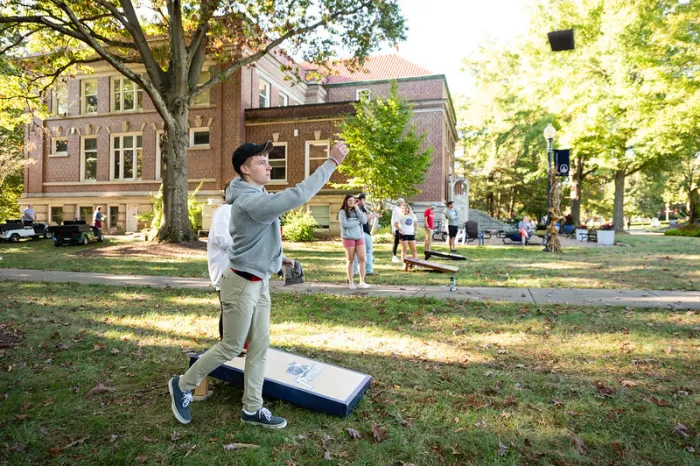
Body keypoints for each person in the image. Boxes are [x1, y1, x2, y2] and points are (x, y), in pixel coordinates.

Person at [168, 139, 348, 429]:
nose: (269, 165)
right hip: (240, 284)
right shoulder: (251, 201)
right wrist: (331, 162)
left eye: (268, 160)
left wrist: (281, 260)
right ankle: (183, 384)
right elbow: (298, 194)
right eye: (262, 161)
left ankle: (252, 408)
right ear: (245, 169)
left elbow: (259, 241)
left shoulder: (257, 194)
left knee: (260, 347)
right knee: (231, 346)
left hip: (260, 282)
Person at [207, 185, 233, 341]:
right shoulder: (225, 211)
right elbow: (223, 239)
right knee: (230, 312)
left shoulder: (240, 211)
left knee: (239, 314)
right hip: (226, 270)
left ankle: (238, 350)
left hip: (239, 272)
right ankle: (228, 349)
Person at [339, 194, 369, 289]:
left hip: (360, 237)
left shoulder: (357, 210)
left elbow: (364, 220)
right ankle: (351, 282)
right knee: (350, 260)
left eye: (353, 201)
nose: (351, 202)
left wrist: (357, 209)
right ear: (346, 202)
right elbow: (345, 224)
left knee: (362, 259)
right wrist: (357, 221)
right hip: (348, 238)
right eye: (349, 201)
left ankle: (362, 281)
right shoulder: (342, 212)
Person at [353, 193, 379, 277]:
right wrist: (375, 215)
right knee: (368, 250)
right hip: (364, 232)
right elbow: (365, 217)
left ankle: (354, 270)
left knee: (357, 252)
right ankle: (368, 269)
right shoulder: (360, 208)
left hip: (359, 232)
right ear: (359, 200)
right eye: (363, 199)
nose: (364, 201)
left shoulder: (355, 208)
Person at [390, 198, 405, 263]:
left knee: (398, 242)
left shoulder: (401, 210)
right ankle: (394, 256)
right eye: (403, 202)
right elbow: (393, 220)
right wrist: (393, 229)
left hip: (400, 228)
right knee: (397, 242)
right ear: (401, 203)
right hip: (397, 228)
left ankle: (396, 256)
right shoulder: (396, 210)